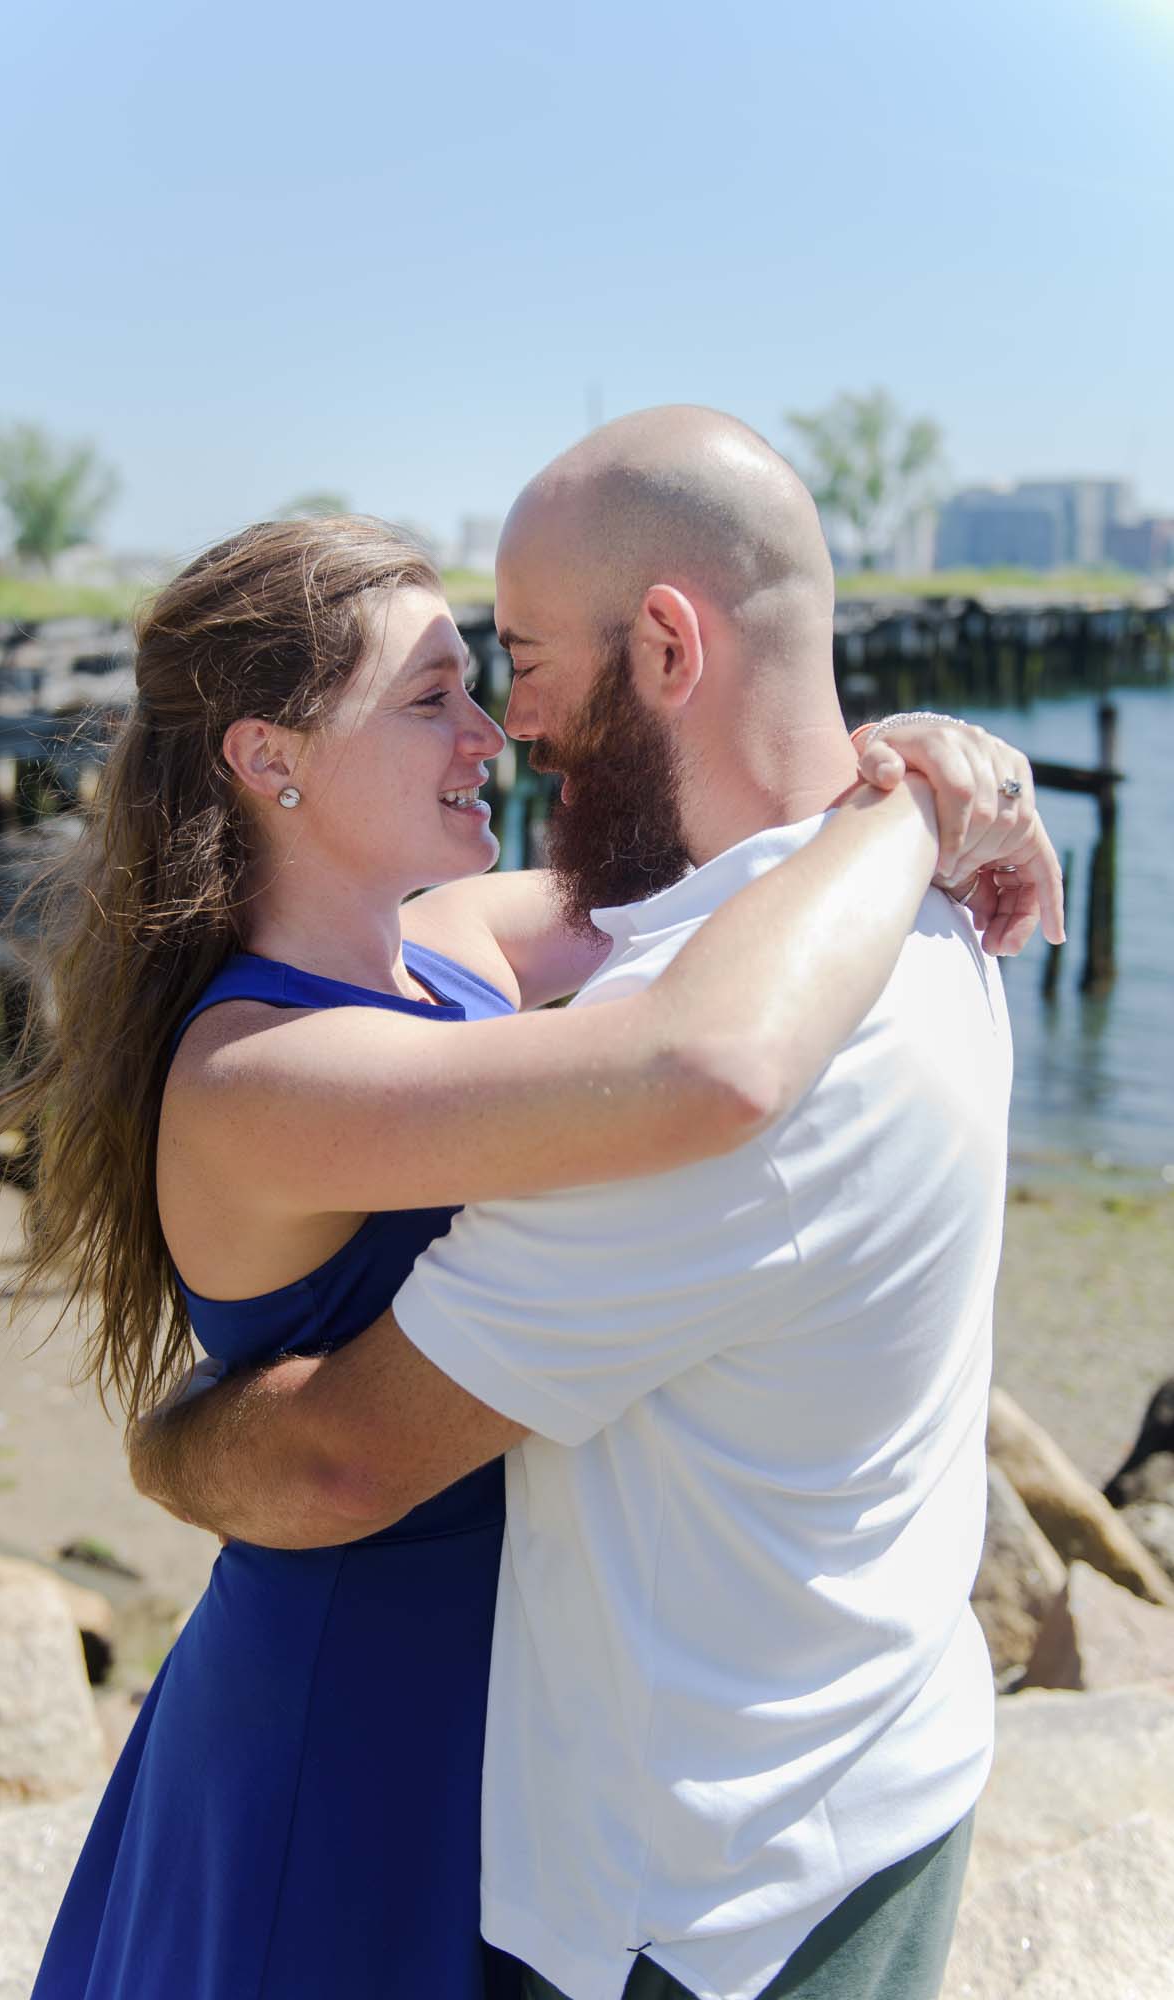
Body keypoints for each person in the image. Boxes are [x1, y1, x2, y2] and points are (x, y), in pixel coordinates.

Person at [131, 411, 1063, 2000]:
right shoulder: (270, 1071)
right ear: (270, 759)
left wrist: (919, 778)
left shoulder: (471, 954)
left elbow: (671, 958)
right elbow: (700, 1033)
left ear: (669, 644)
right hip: (373, 1693)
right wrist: (906, 806)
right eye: (443, 693)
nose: (506, 728)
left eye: (519, 663)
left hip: (605, 1793)